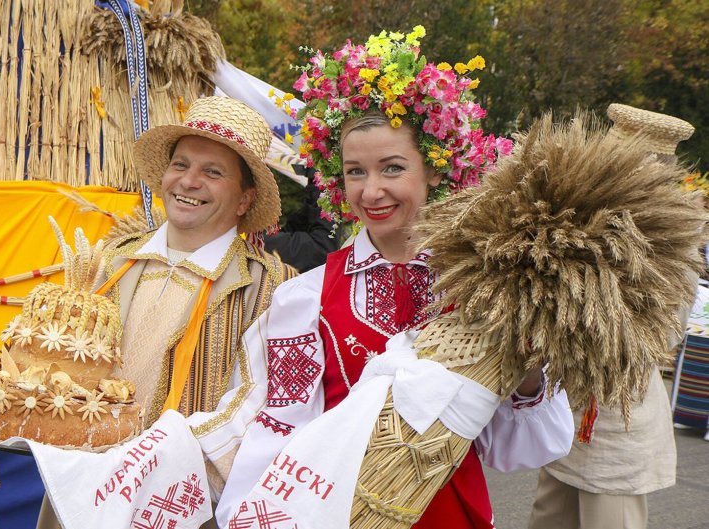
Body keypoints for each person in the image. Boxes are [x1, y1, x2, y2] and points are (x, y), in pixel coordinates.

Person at [214, 28, 573, 528]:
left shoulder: (483, 290)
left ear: (434, 170)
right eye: (355, 171)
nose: (372, 190)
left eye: (393, 167)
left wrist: (529, 370)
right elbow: (281, 427)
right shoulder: (306, 298)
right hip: (339, 514)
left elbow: (521, 448)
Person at [36, 95, 297, 528]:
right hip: (79, 486)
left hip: (176, 502)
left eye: (212, 172)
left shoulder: (270, 286)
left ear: (245, 199)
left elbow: (260, 406)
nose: (189, 181)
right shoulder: (113, 260)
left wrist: (150, 466)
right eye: (181, 164)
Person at [527, 103, 694, 529]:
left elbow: (664, 332)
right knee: (548, 518)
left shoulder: (676, 234)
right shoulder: (579, 212)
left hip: (620, 420)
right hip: (566, 412)